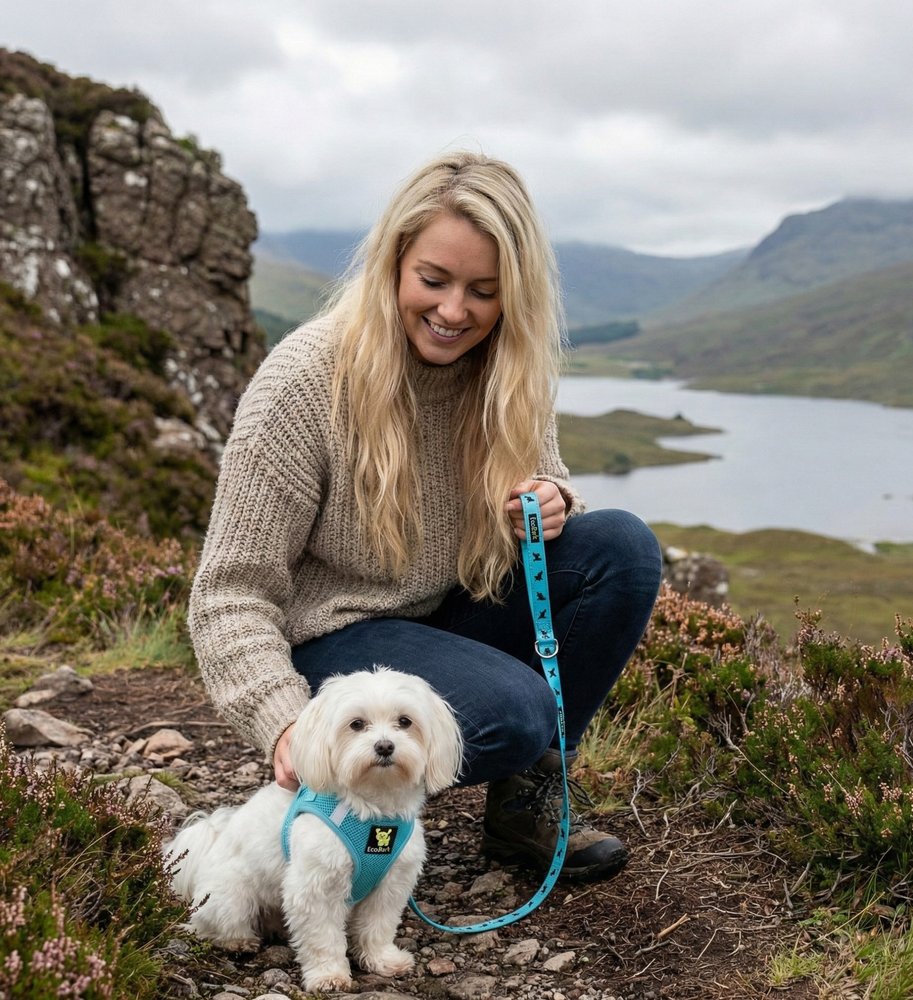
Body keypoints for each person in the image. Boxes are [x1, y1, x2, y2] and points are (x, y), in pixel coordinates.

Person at [188, 151, 664, 882]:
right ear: (393, 264)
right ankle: (342, 815)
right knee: (515, 712)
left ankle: (523, 812)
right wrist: (287, 720)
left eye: (484, 291)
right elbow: (229, 593)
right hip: (334, 640)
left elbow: (550, 486)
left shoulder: (508, 371)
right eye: (434, 281)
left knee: (621, 550)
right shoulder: (305, 380)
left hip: (444, 612)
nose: (453, 312)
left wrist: (551, 502)